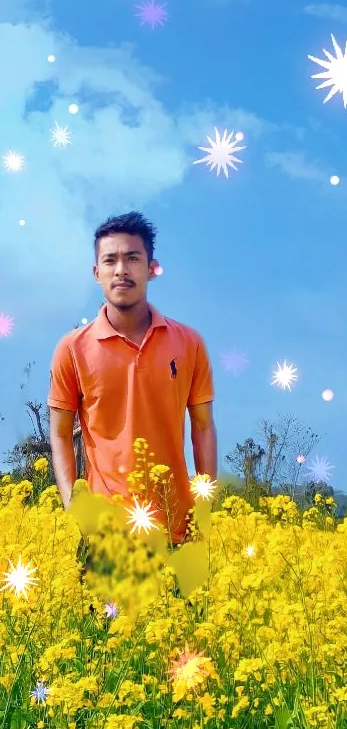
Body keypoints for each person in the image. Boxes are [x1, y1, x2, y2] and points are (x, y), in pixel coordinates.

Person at [47, 211, 217, 544]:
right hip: (103, 535)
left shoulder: (189, 343)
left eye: (133, 258)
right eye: (110, 260)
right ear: (97, 273)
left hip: (176, 531)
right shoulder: (72, 348)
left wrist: (204, 508)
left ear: (152, 269)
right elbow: (61, 432)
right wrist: (73, 507)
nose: (121, 270)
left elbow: (202, 426)